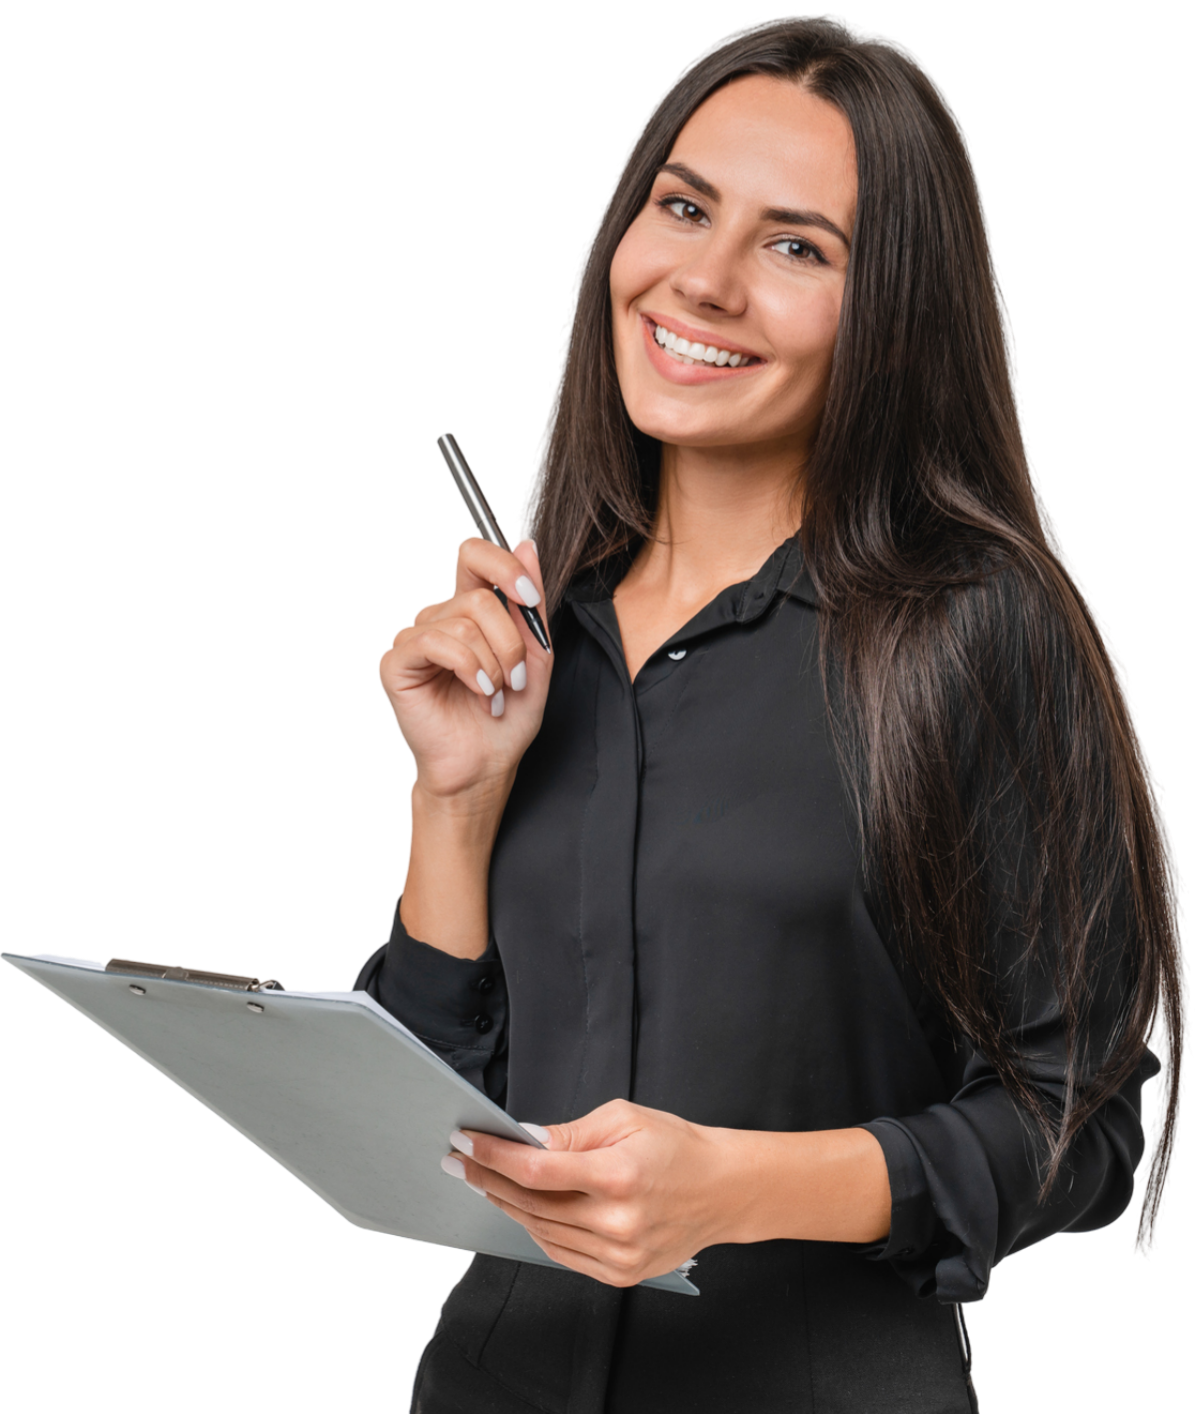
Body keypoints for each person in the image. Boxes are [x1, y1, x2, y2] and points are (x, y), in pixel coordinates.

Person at [360, 15, 1188, 1413]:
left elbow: (1081, 1120)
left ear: (890, 311)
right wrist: (452, 797)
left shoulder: (971, 634)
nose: (705, 279)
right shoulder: (537, 635)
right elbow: (434, 1118)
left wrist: (740, 1184)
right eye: (683, 208)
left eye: (796, 245)